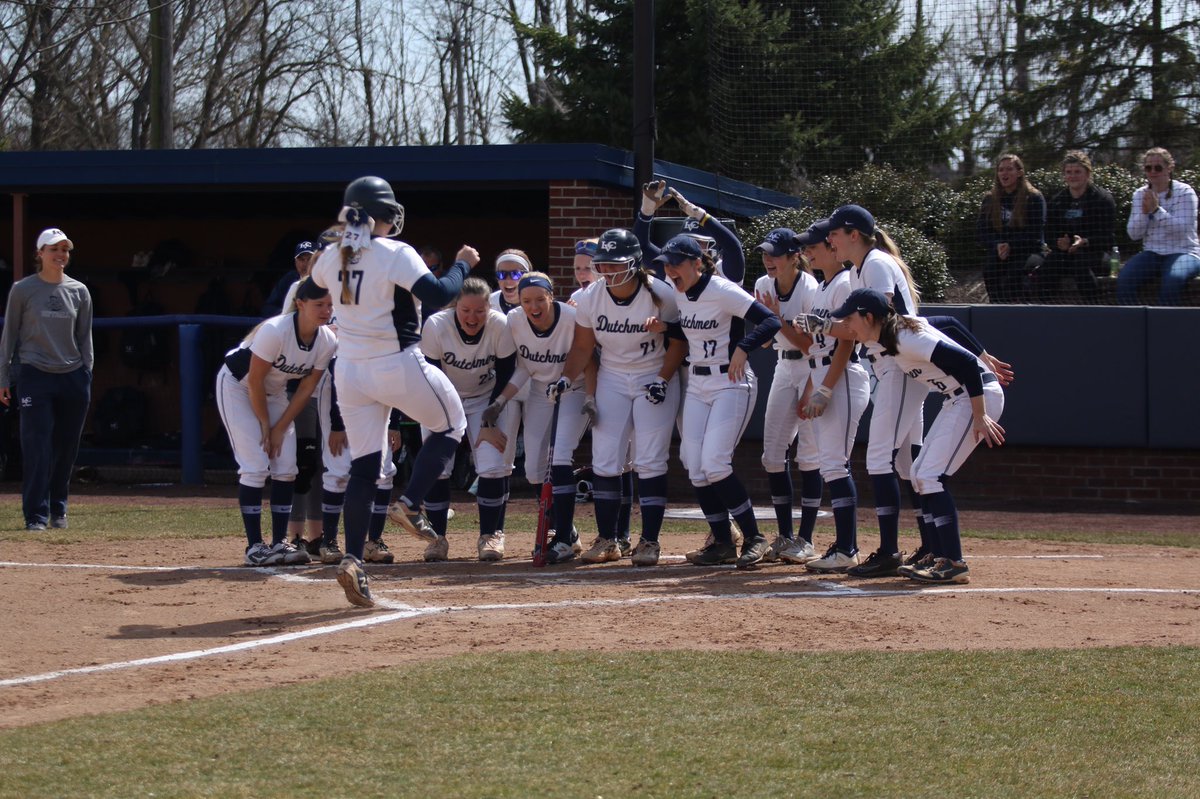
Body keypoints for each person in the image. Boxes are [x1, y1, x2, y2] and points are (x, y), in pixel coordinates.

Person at [310, 175, 473, 608]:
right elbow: (438, 294)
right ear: (381, 214)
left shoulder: (332, 254)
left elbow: (311, 289)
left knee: (364, 469)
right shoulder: (396, 251)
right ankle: (409, 503)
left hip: (350, 369)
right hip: (395, 361)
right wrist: (463, 264)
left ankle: (352, 557)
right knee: (452, 423)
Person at [829, 288, 1005, 584]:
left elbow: (963, 363)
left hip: (977, 398)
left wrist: (979, 414)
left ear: (869, 317)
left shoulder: (905, 338)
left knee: (931, 476)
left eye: (850, 318)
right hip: (957, 399)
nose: (847, 326)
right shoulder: (895, 330)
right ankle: (941, 556)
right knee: (921, 473)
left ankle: (953, 562)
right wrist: (984, 354)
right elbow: (948, 322)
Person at [553, 228, 687, 566]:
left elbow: (677, 343)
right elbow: (583, 346)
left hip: (652, 374)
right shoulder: (590, 297)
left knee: (651, 459)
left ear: (635, 263)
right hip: (612, 375)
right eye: (603, 265)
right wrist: (567, 378)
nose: (608, 271)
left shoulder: (661, 293)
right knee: (605, 460)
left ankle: (649, 541)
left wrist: (662, 378)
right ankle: (608, 538)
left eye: (616, 264)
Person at [651, 234, 781, 569]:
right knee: (694, 464)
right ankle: (722, 541)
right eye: (667, 264)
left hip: (731, 382)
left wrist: (743, 346)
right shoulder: (680, 290)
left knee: (715, 464)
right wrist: (647, 214)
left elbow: (770, 321)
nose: (670, 270)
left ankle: (755, 538)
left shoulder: (721, 289)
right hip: (698, 382)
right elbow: (643, 247)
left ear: (697, 263)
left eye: (677, 263)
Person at [824, 204, 926, 578]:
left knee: (880, 459)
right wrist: (826, 326)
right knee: (908, 464)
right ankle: (931, 544)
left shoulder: (876, 263)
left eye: (835, 232)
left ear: (854, 234)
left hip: (898, 365)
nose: (830, 239)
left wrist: (823, 326)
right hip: (895, 365)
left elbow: (876, 322)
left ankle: (888, 551)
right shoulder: (862, 267)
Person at [215, 278, 335, 566]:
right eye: (319, 305)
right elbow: (254, 380)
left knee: (286, 468)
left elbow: (306, 389)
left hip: (275, 392)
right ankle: (254, 547)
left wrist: (280, 428)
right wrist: (266, 427)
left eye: (330, 305)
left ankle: (279, 542)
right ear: (300, 304)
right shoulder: (275, 330)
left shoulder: (327, 340)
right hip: (238, 386)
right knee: (255, 465)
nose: (326, 311)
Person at [484, 272, 593, 562]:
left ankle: (564, 541)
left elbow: (589, 356)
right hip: (540, 391)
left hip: (574, 388)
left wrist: (590, 396)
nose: (534, 307)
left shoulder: (571, 318)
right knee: (533, 470)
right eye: (526, 300)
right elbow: (525, 367)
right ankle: (567, 530)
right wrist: (501, 400)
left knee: (558, 460)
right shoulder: (515, 321)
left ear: (551, 296)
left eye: (540, 299)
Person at [790, 220, 871, 573]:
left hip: (843, 378)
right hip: (823, 373)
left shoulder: (843, 283)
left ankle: (848, 547)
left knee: (836, 464)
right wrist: (814, 386)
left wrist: (825, 388)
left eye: (814, 245)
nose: (808, 252)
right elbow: (821, 344)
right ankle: (842, 544)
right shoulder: (824, 287)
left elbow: (848, 339)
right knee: (830, 464)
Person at [0, 228, 93, 531]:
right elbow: (9, 335)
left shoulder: (79, 291)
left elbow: (84, 336)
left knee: (66, 446)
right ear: (39, 254)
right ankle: (35, 515)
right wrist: (4, 375)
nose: (60, 255)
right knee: (37, 446)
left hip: (72, 376)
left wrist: (86, 373)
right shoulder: (22, 290)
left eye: (65, 250)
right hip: (34, 375)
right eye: (54, 249)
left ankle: (59, 509)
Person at [419, 277, 516, 562]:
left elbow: (506, 372)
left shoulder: (500, 325)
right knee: (437, 466)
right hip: (442, 399)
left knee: (492, 465)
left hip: (487, 400)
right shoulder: (437, 325)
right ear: (454, 307)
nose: (472, 317)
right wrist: (451, 424)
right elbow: (432, 376)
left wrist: (488, 421)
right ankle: (437, 539)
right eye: (465, 310)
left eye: (479, 311)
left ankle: (490, 535)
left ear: (489, 307)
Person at [752, 226, 822, 564]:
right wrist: (766, 323)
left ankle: (806, 538)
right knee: (772, 455)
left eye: (775, 254)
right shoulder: (763, 285)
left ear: (795, 257)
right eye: (766, 254)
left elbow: (811, 346)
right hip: (783, 366)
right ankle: (784, 535)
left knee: (809, 455)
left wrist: (777, 320)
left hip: (812, 368)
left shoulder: (810, 288)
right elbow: (765, 341)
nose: (769, 260)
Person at [1117, 147, 1200, 306]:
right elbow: (1134, 234)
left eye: (1158, 167)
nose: (1153, 172)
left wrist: (1156, 210)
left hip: (1184, 252)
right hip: (1153, 253)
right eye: (1148, 168)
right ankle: (1135, 325)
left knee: (1172, 281)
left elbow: (1183, 229)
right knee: (1125, 279)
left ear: (1169, 168)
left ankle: (1166, 327)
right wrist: (1144, 213)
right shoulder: (1140, 194)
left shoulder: (1185, 192)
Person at [1039, 151, 1116, 304]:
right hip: (1064, 254)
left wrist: (1085, 241)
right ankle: (1044, 309)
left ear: (1087, 173)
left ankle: (1094, 309)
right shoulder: (1057, 201)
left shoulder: (1102, 199)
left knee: (1080, 266)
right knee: (1047, 267)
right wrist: (1058, 243)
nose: (1072, 176)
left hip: (1095, 254)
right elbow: (1049, 233)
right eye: (1069, 172)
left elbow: (1108, 237)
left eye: (1077, 172)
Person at [977, 154, 1046, 303]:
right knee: (990, 270)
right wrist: (997, 245)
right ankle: (996, 308)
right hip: (1000, 251)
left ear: (1020, 172)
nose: (1004, 173)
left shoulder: (1034, 198)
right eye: (1001, 170)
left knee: (1013, 276)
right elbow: (983, 233)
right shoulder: (990, 199)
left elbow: (1035, 234)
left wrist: (1011, 245)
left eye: (1009, 169)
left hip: (1029, 252)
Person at [263, 241, 318, 316]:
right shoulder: (289, 279)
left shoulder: (324, 280)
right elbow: (268, 307)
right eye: (301, 259)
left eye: (309, 259)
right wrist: (287, 314)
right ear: (295, 261)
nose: (305, 264)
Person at [489, 250, 527, 315]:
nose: (508, 280)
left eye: (516, 274)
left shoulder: (537, 304)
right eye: (501, 274)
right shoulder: (487, 304)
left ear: (526, 276)